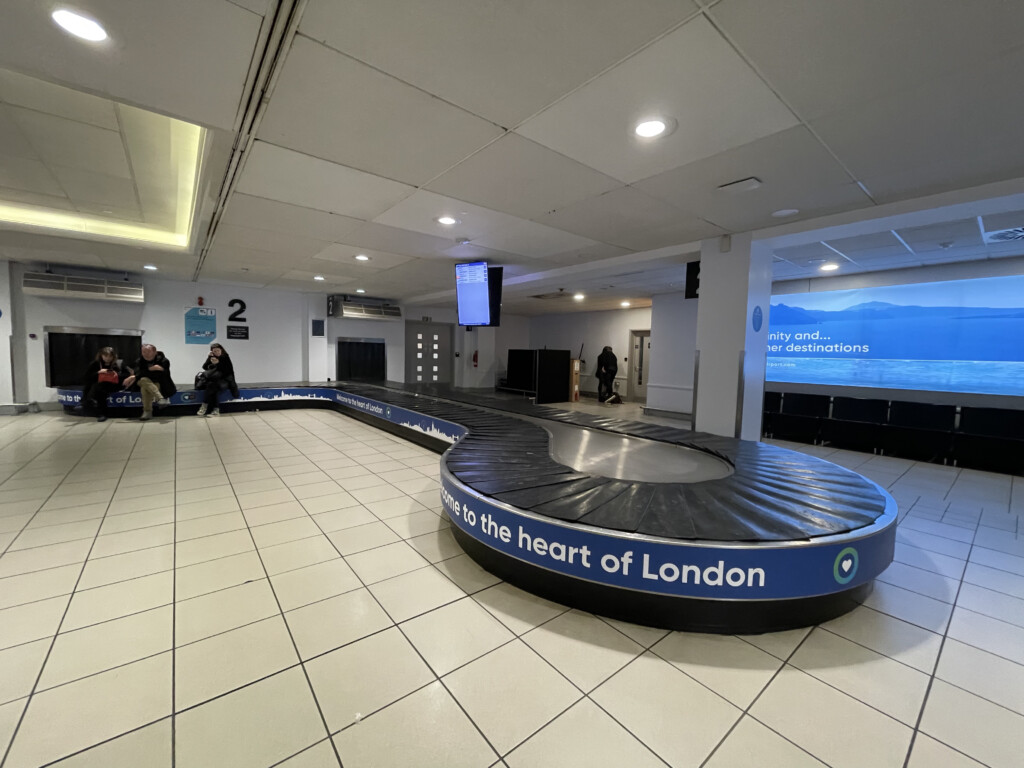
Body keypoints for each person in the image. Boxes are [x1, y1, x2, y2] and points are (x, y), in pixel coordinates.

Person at [123, 343, 176, 421]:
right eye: (143, 352)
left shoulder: (163, 360)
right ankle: (160, 398)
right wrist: (150, 370)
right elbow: (138, 374)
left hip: (157, 383)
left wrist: (156, 370)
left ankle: (147, 412)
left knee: (145, 388)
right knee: (144, 380)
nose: (145, 354)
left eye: (148, 352)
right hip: (140, 382)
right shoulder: (139, 361)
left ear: (155, 352)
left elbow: (163, 375)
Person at [81, 347, 126, 422]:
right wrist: (99, 372)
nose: (108, 358)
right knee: (99, 388)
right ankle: (102, 413)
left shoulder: (117, 364)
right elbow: (87, 377)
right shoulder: (95, 364)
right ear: (101, 355)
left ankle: (89, 400)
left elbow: (124, 375)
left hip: (113, 384)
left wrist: (115, 374)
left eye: (110, 356)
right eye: (106, 356)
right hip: (100, 385)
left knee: (99, 387)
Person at [196, 342, 238, 417]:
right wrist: (209, 358)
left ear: (221, 350)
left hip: (225, 381)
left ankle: (204, 405)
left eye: (218, 350)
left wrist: (218, 363)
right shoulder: (212, 357)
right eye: (215, 351)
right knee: (212, 386)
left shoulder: (225, 357)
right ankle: (215, 409)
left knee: (212, 386)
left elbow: (228, 371)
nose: (217, 352)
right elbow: (205, 367)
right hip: (214, 381)